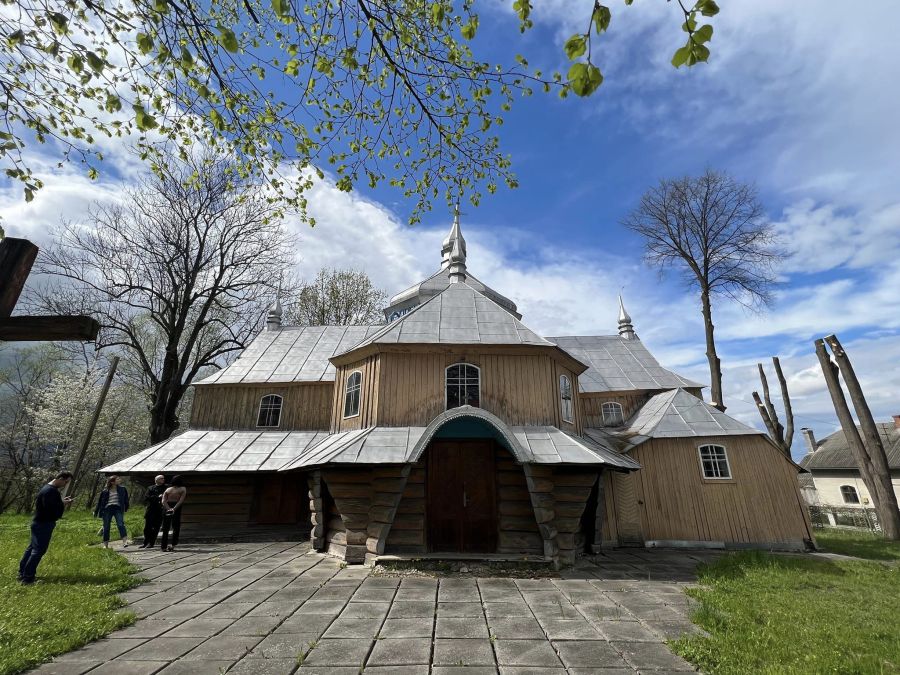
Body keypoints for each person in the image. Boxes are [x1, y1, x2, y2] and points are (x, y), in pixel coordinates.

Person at [18, 471, 74, 584]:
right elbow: (50, 509)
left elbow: (50, 504)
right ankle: (28, 578)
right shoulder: (51, 491)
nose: (65, 485)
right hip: (44, 523)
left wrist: (61, 501)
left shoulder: (47, 488)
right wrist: (63, 504)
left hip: (38, 522)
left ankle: (22, 573)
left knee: (32, 548)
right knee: (38, 550)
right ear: (61, 479)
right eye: (66, 482)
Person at [94, 475, 131, 548]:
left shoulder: (123, 489)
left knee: (120, 524)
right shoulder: (105, 491)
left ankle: (125, 542)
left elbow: (126, 499)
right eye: (117, 479)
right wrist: (96, 512)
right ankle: (105, 545)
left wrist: (126, 507)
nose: (119, 480)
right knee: (106, 526)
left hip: (117, 508)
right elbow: (100, 502)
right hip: (107, 509)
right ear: (112, 482)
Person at [160, 475, 186, 552]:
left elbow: (163, 501)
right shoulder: (183, 488)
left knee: (166, 527)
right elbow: (181, 500)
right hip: (176, 507)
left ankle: (163, 547)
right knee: (176, 527)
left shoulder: (168, 489)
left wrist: (168, 508)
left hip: (167, 507)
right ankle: (173, 545)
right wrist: (173, 509)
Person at [140, 475, 167, 548]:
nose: (163, 479)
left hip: (159, 510)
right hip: (150, 509)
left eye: (163, 478)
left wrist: (155, 497)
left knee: (156, 527)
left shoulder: (165, 488)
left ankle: (151, 543)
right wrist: (157, 497)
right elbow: (147, 497)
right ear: (156, 480)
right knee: (147, 528)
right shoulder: (150, 488)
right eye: (161, 478)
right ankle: (145, 542)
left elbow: (165, 497)